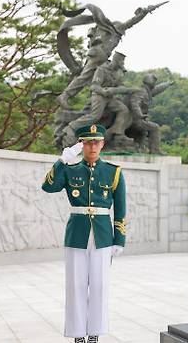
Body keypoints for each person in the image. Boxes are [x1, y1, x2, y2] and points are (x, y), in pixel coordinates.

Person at [42, 124, 127, 343]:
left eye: (96, 142)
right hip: (77, 234)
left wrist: (120, 238)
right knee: (76, 285)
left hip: (102, 235)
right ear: (81, 145)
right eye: (87, 142)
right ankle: (78, 333)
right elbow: (48, 186)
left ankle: (94, 333)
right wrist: (62, 160)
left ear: (102, 144)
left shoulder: (113, 172)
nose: (92, 146)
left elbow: (120, 207)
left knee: (99, 286)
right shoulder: (70, 170)